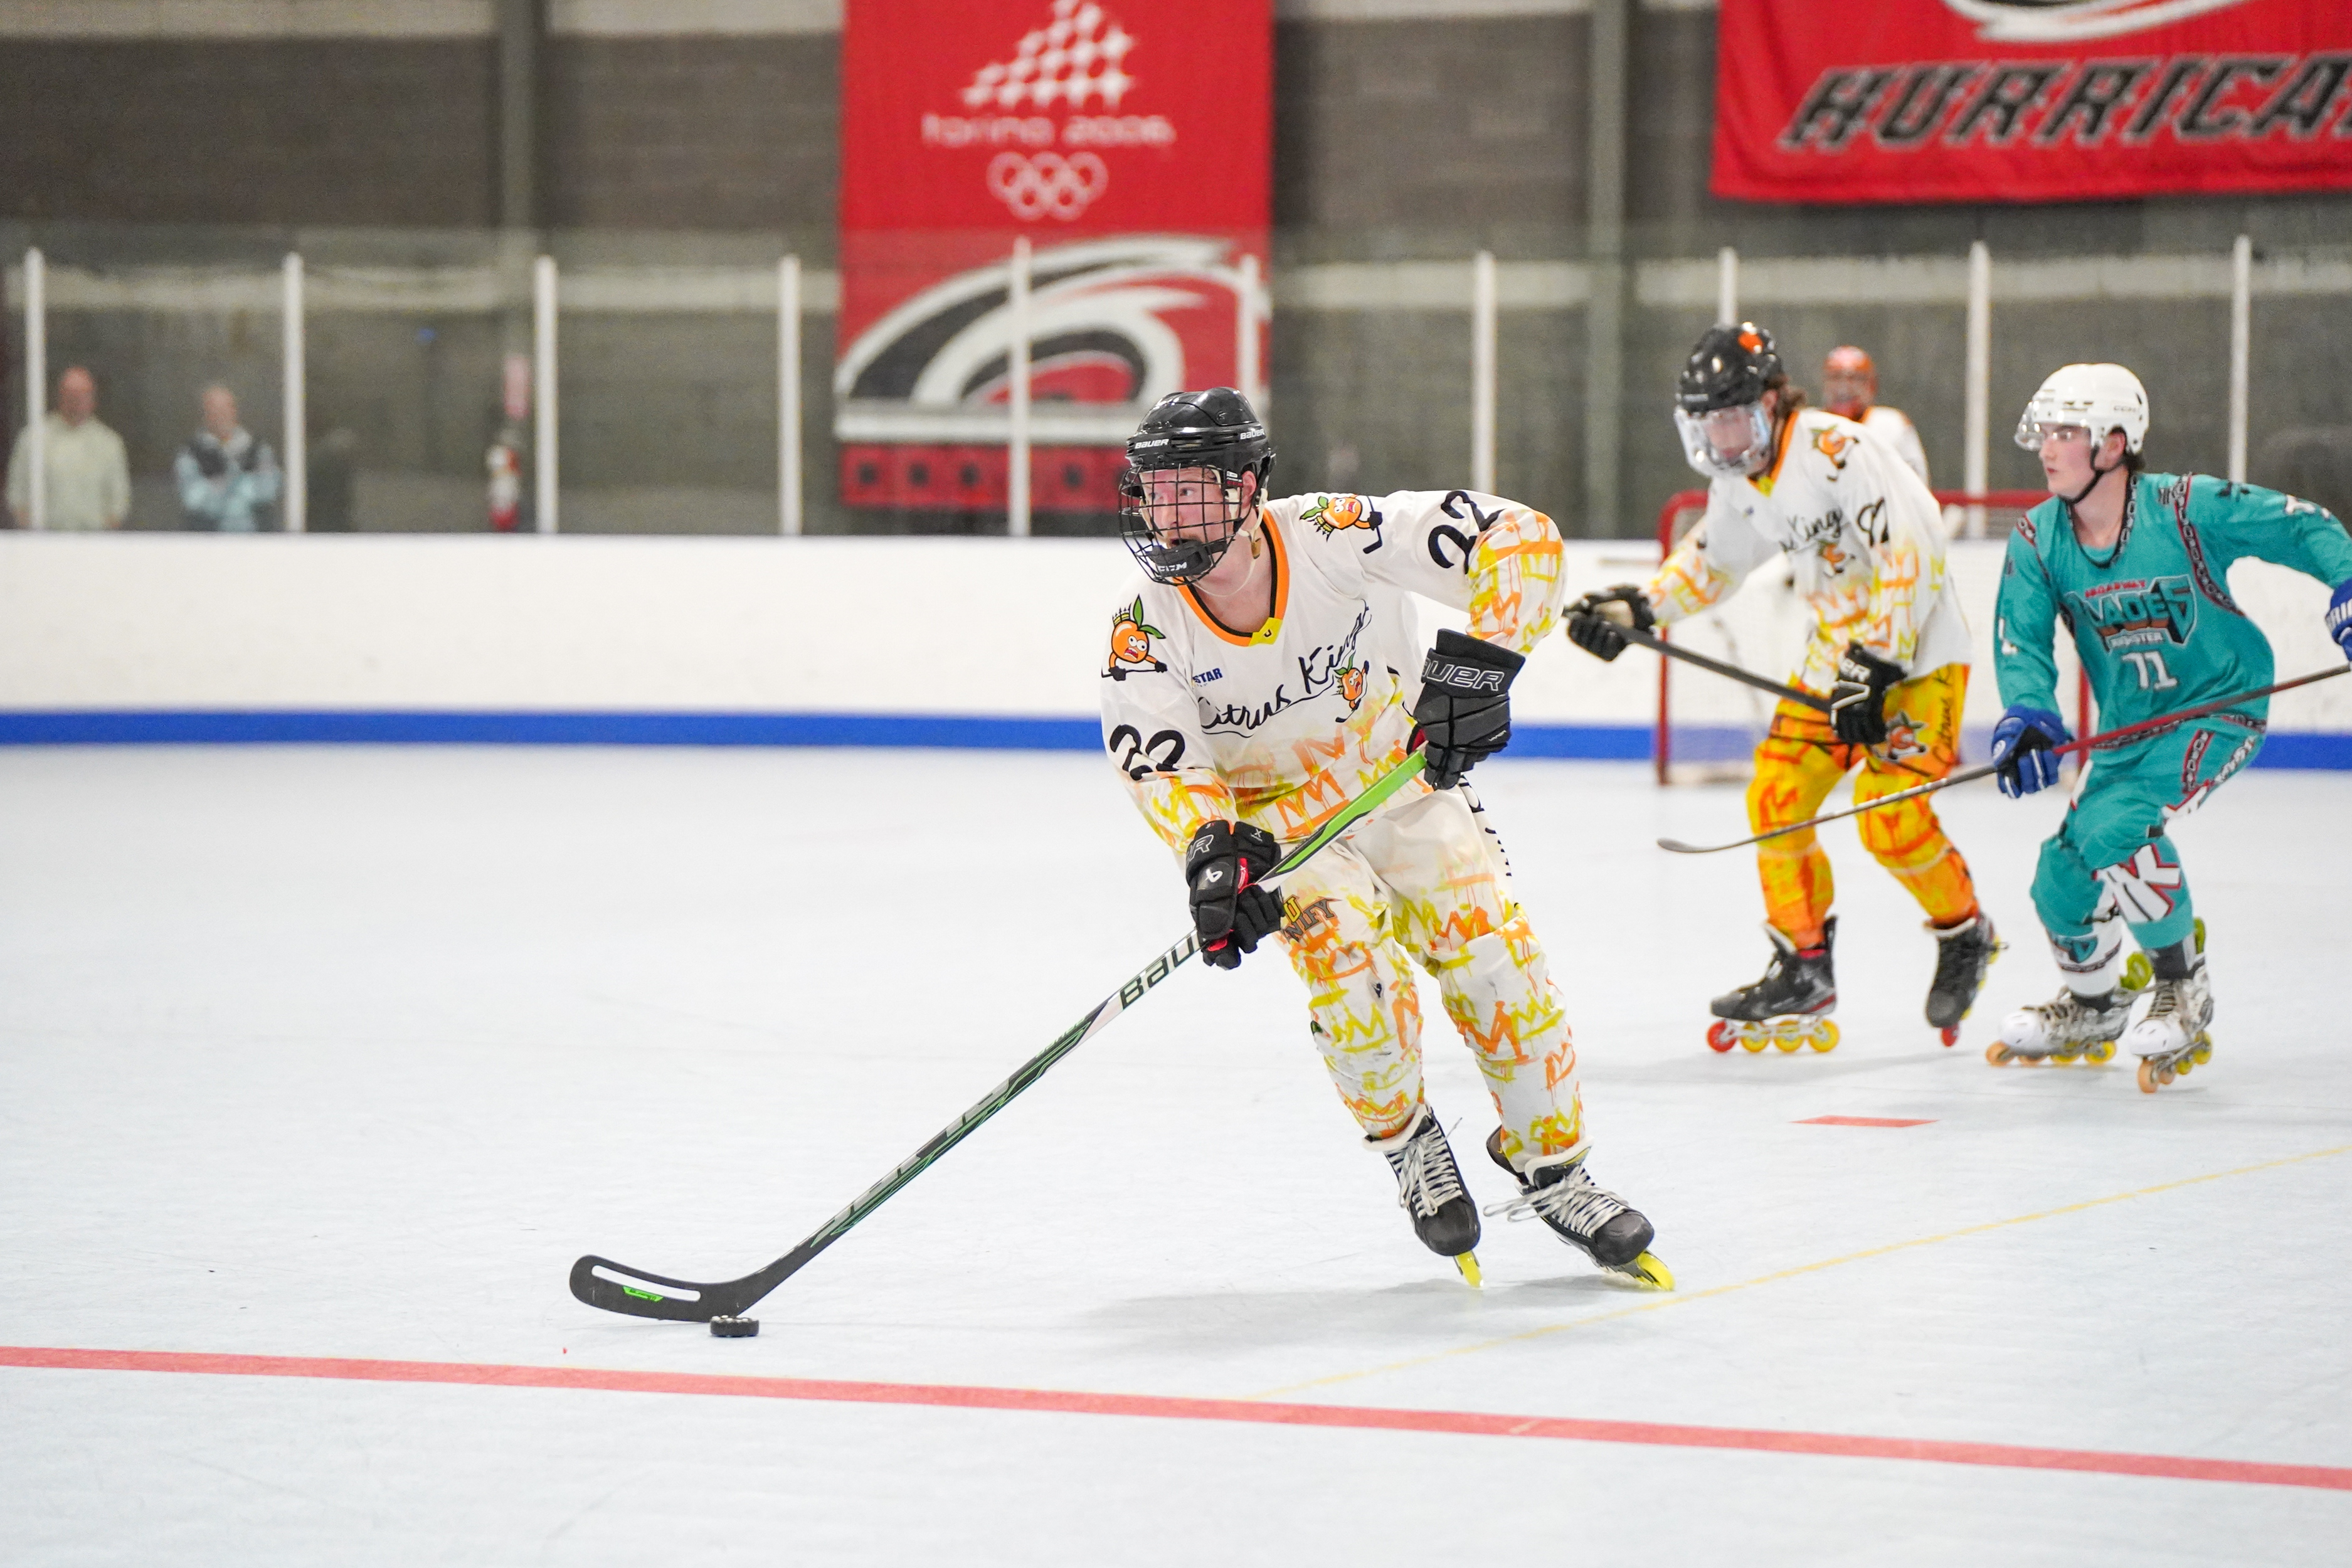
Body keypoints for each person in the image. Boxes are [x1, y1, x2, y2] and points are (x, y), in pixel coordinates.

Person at [1099, 386, 1668, 1289]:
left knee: (1497, 960)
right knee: (1350, 973)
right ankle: (1409, 1143)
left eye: (1191, 490)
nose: (1169, 516)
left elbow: (1519, 537)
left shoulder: (1333, 534)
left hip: (1399, 780)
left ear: (1248, 486)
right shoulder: (1142, 629)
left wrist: (1482, 667)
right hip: (1283, 830)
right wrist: (1211, 853)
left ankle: (1555, 1169)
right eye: (1155, 493)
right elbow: (1161, 762)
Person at [1564, 323, 1996, 1051]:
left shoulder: (1838, 450)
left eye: (1731, 420)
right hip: (1835, 659)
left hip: (1920, 658)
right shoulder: (1739, 477)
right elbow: (1716, 559)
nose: (1721, 440)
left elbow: (1912, 548)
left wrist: (1879, 662)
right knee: (1775, 796)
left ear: (1770, 402)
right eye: (1707, 425)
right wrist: (1640, 607)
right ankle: (1804, 964)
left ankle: (1964, 931)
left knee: (1889, 819)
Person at [1987, 364, 2352, 1092]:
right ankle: (2094, 1005)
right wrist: (2028, 716)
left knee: (2118, 827)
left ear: (2113, 444)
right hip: (2127, 733)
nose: (2048, 448)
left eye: (2067, 432)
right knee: (2058, 878)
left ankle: (2183, 985)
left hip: (2219, 706)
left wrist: (2347, 582)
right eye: (2046, 432)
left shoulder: (2185, 508)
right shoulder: (2037, 538)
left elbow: (2302, 525)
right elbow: (2021, 641)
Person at [6, 366, 131, 530]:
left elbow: (119, 502)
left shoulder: (109, 444)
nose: (76, 400)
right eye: (71, 394)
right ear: (60, 396)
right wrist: (35, 535)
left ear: (93, 399)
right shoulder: (34, 439)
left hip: (94, 541)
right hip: (45, 540)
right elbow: (17, 495)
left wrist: (101, 538)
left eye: (83, 394)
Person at [174, 385, 280, 532]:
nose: (221, 416)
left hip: (256, 539)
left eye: (226, 409)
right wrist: (241, 485)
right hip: (207, 539)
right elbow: (193, 498)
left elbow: (267, 491)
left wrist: (220, 487)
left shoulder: (259, 450)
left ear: (234, 411)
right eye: (214, 410)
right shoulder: (190, 454)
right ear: (205, 415)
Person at [1822, 344, 1931, 487]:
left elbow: (1917, 485)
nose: (1844, 387)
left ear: (1872, 385)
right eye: (1836, 378)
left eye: (1855, 379)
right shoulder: (1808, 426)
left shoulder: (1893, 425)